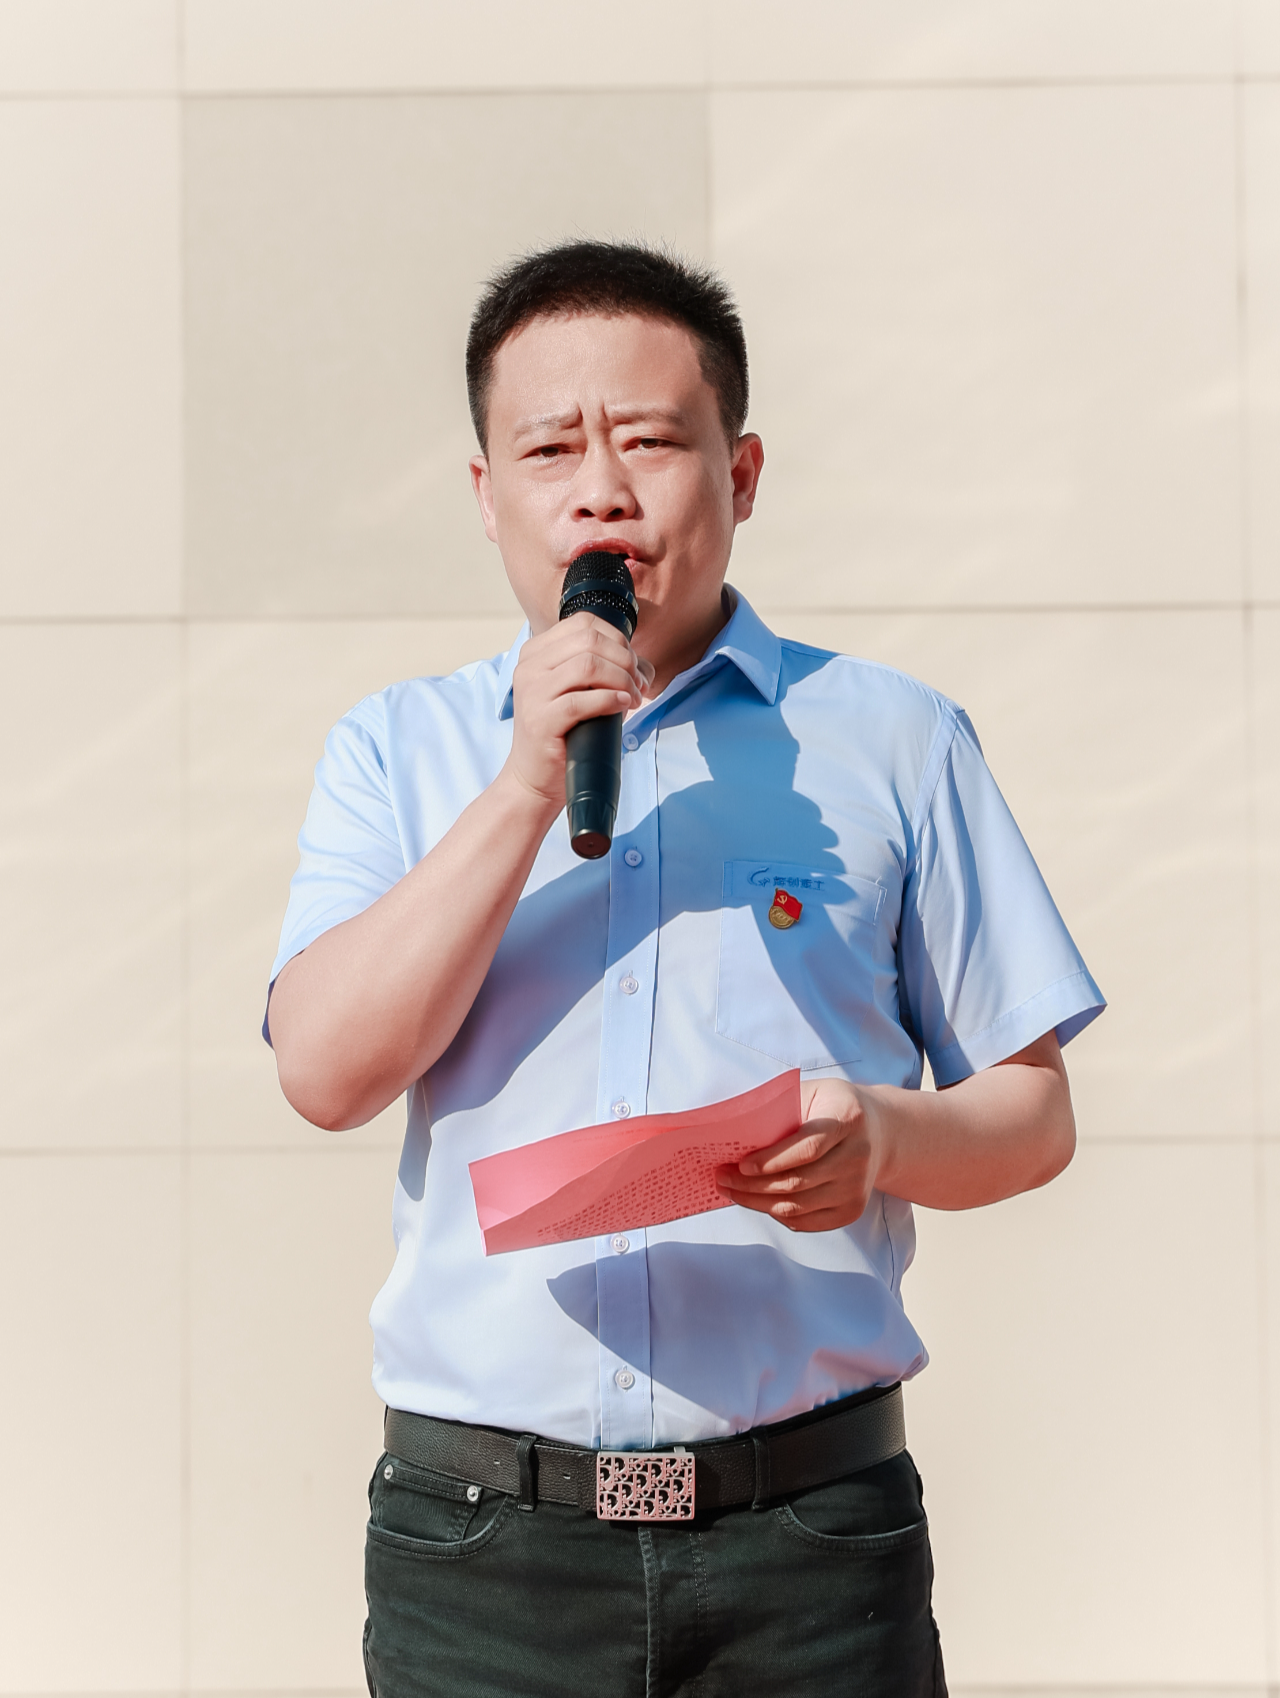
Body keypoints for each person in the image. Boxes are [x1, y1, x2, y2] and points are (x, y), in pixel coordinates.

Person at [265, 240, 1104, 1698]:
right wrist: (526, 784)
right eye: (550, 449)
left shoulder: (895, 741)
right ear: (487, 494)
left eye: (650, 440)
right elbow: (324, 1073)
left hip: (809, 1549)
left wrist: (882, 1138)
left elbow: (1034, 1115)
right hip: (483, 1556)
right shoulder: (398, 751)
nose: (600, 489)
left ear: (743, 470)